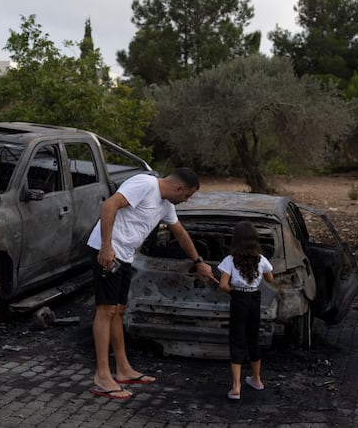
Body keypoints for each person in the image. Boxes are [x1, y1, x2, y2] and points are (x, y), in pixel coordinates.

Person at [87, 167, 217, 399]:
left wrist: (198, 261)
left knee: (117, 311)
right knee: (105, 310)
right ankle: (102, 375)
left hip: (124, 256)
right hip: (106, 251)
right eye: (187, 196)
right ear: (178, 188)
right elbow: (109, 205)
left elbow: (180, 233)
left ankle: (123, 369)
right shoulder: (144, 185)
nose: (186, 201)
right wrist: (106, 246)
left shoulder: (166, 205)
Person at [217, 221, 275, 400]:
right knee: (253, 338)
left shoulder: (230, 261)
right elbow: (270, 279)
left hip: (239, 299)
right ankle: (256, 379)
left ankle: (236, 387)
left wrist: (234, 291)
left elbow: (223, 285)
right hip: (254, 299)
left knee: (237, 340)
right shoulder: (261, 259)